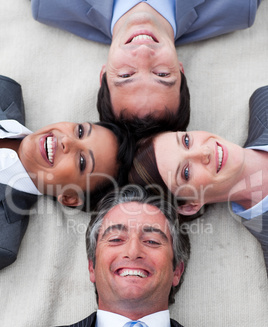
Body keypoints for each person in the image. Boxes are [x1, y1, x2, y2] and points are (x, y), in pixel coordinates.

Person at [1, 185, 267, 327]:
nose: (133, 251)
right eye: (115, 239)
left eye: (152, 241)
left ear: (177, 270)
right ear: (92, 267)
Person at [31, 0, 262, 132]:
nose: (143, 53)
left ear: (104, 73)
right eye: (161, 74)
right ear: (180, 71)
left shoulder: (49, 4)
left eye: (125, 74)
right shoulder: (238, 6)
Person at [129, 85, 268, 276]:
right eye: (186, 172)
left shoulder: (263, 101)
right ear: (189, 206)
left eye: (186, 141)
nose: (204, 152)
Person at [0, 75, 133, 269]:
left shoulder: (3, 239)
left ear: (70, 197)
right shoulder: (5, 91)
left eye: (81, 161)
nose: (67, 141)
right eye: (80, 131)